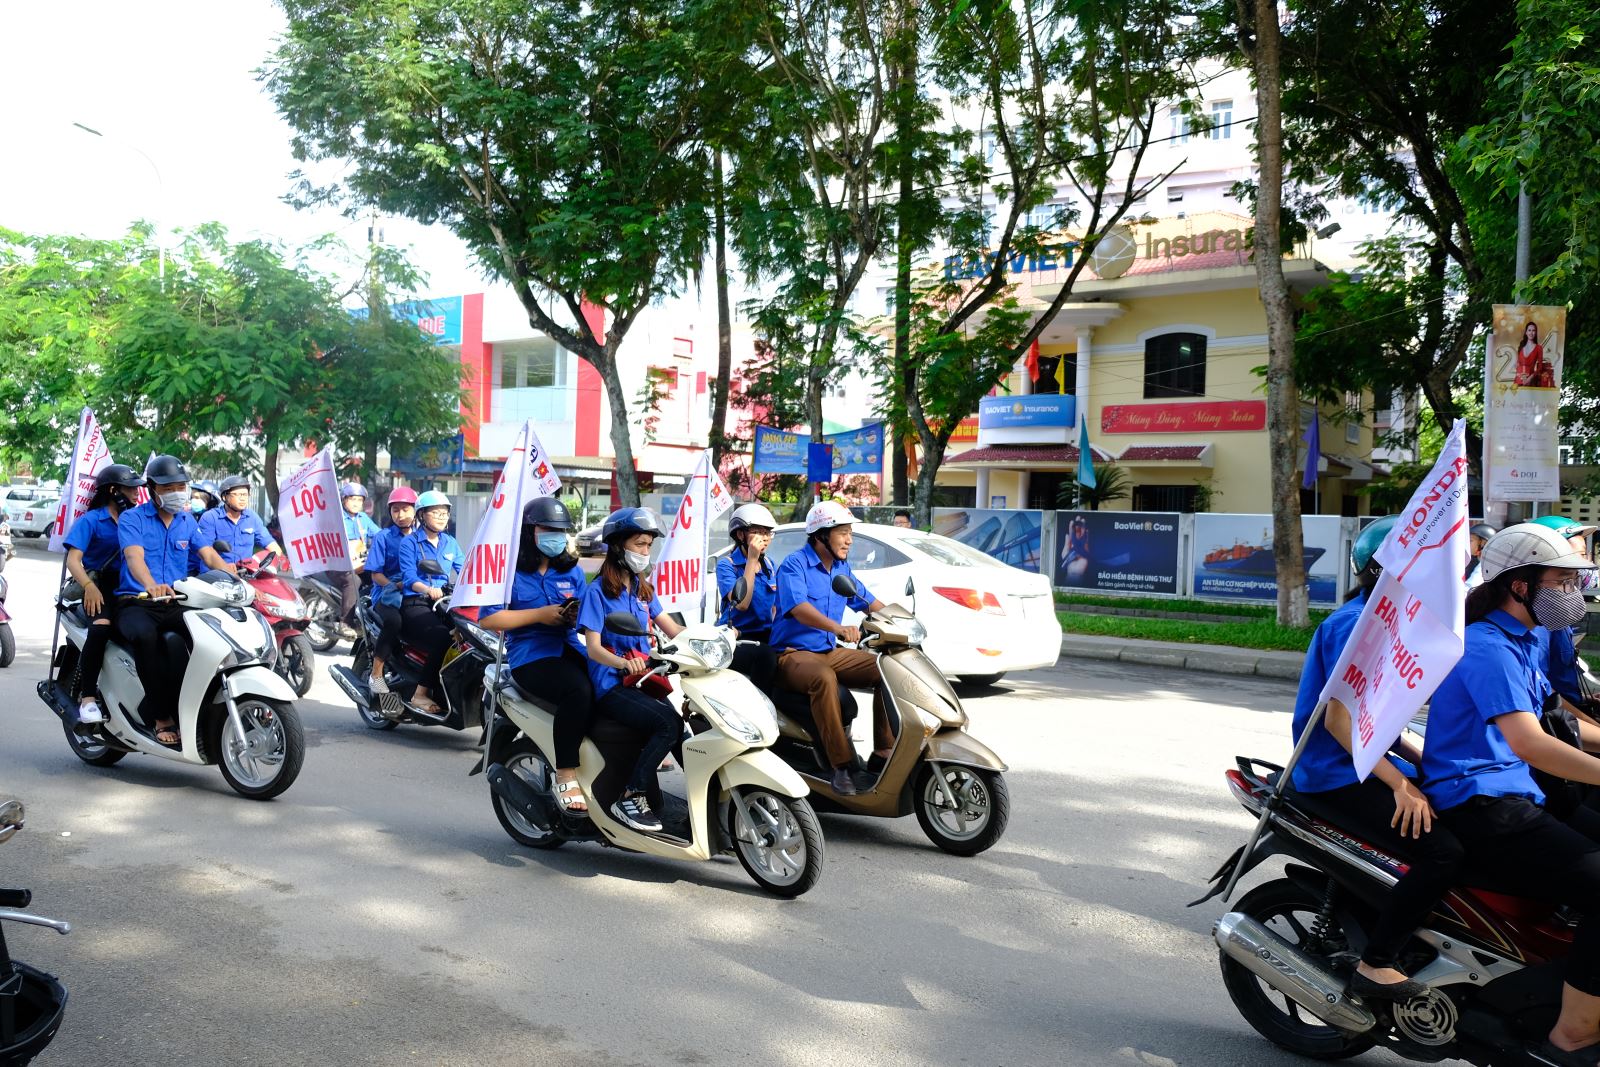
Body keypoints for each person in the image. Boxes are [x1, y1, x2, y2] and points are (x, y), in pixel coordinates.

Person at [1420, 522, 1600, 1064]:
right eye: (1563, 581)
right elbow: (1532, 745)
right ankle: (1570, 1038)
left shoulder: (1526, 640)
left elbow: (1563, 729)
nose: (1575, 592)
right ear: (1520, 585)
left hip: (1521, 794)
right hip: (1483, 803)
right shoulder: (1486, 648)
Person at [1286, 516, 1466, 1001]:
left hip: (1367, 760)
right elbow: (1340, 726)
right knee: (1443, 851)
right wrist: (1402, 785)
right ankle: (1377, 962)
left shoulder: (1396, 623)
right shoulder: (1353, 628)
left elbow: (1382, 719)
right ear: (1384, 571)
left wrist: (1420, 757)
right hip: (1333, 771)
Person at [770, 500, 897, 796]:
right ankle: (839, 766)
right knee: (823, 677)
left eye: (850, 533)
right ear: (821, 535)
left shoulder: (841, 568)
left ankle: (883, 751)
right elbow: (799, 608)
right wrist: (838, 628)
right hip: (792, 655)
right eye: (843, 533)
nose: (849, 540)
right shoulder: (794, 565)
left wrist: (902, 621)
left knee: (887, 668)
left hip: (828, 652)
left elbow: (869, 602)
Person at [576, 507, 685, 833]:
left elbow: (673, 629)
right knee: (669, 723)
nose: (645, 552)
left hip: (644, 680)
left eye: (649, 546)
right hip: (612, 684)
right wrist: (623, 661)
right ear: (618, 546)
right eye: (640, 544)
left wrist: (714, 642)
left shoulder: (643, 590)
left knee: (688, 736)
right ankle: (631, 794)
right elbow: (593, 648)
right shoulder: (597, 593)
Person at [480, 498, 592, 812]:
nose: (556, 535)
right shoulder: (508, 571)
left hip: (569, 647)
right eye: (548, 529)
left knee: (613, 686)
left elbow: (588, 618)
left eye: (561, 530)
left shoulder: (572, 572)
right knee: (578, 690)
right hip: (530, 656)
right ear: (530, 531)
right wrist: (539, 614)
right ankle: (566, 773)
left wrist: (576, 619)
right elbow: (489, 619)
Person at [116, 454, 203, 747]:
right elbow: (134, 557)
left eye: (181, 486)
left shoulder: (187, 521)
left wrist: (232, 573)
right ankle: (160, 715)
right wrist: (151, 584)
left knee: (205, 634)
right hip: (136, 600)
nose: (177, 493)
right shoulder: (132, 519)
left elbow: (208, 555)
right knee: (145, 636)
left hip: (175, 601)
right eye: (168, 488)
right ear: (152, 489)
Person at [63, 464, 145, 725]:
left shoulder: (140, 518)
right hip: (101, 586)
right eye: (130, 488)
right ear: (113, 490)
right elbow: (73, 560)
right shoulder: (92, 520)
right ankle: (88, 698)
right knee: (100, 629)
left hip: (135, 585)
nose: (136, 493)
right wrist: (89, 586)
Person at [396, 490, 464, 714]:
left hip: (444, 603)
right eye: (436, 513)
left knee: (466, 639)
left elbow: (465, 571)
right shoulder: (410, 543)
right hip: (416, 602)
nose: (442, 517)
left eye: (445, 513)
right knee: (442, 639)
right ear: (422, 515)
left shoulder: (450, 543)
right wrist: (428, 589)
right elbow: (409, 577)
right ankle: (420, 694)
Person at [1531, 516, 1598, 708]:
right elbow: (1541, 690)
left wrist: (1583, 702)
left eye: (1586, 555)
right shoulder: (1539, 619)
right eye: (1579, 555)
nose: (1585, 564)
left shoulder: (1559, 611)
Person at [715, 503, 779, 691]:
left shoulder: (770, 564)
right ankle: (759, 710)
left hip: (766, 634)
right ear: (740, 535)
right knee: (766, 656)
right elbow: (742, 604)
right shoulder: (728, 565)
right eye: (758, 532)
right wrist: (751, 560)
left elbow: (775, 606)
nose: (765, 538)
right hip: (735, 637)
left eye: (767, 533)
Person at [364, 487, 417, 697]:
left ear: (416, 511)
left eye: (405, 509)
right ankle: (376, 674)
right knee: (394, 622)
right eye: (396, 510)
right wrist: (395, 586)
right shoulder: (383, 537)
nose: (401, 515)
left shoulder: (423, 537)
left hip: (415, 593)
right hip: (387, 595)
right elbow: (375, 574)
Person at [195, 474, 278, 569]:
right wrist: (224, 567)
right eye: (237, 494)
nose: (242, 498)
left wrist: (281, 558)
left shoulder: (252, 517)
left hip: (246, 574)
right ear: (224, 497)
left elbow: (269, 542)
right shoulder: (210, 517)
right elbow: (206, 551)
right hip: (215, 575)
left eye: (245, 494)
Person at [333, 481, 381, 638]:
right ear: (344, 500)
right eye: (352, 499)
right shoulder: (336, 517)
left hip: (358, 561)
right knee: (354, 581)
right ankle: (345, 623)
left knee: (378, 576)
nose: (356, 503)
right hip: (338, 563)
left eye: (359, 500)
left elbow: (379, 534)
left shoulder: (363, 518)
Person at [1515, 321, 1554, 388]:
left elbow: (1540, 368)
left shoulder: (1538, 348)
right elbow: (1518, 364)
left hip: (1530, 381)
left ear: (1536, 333)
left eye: (1533, 330)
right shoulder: (1521, 347)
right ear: (1526, 332)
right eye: (1529, 330)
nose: (1531, 333)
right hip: (1519, 381)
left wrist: (1529, 378)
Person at [1464, 522, 1497, 587]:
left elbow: (1468, 589)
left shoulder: (1486, 566)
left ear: (1483, 544)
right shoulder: (1474, 562)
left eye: (1471, 540)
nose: (1467, 543)